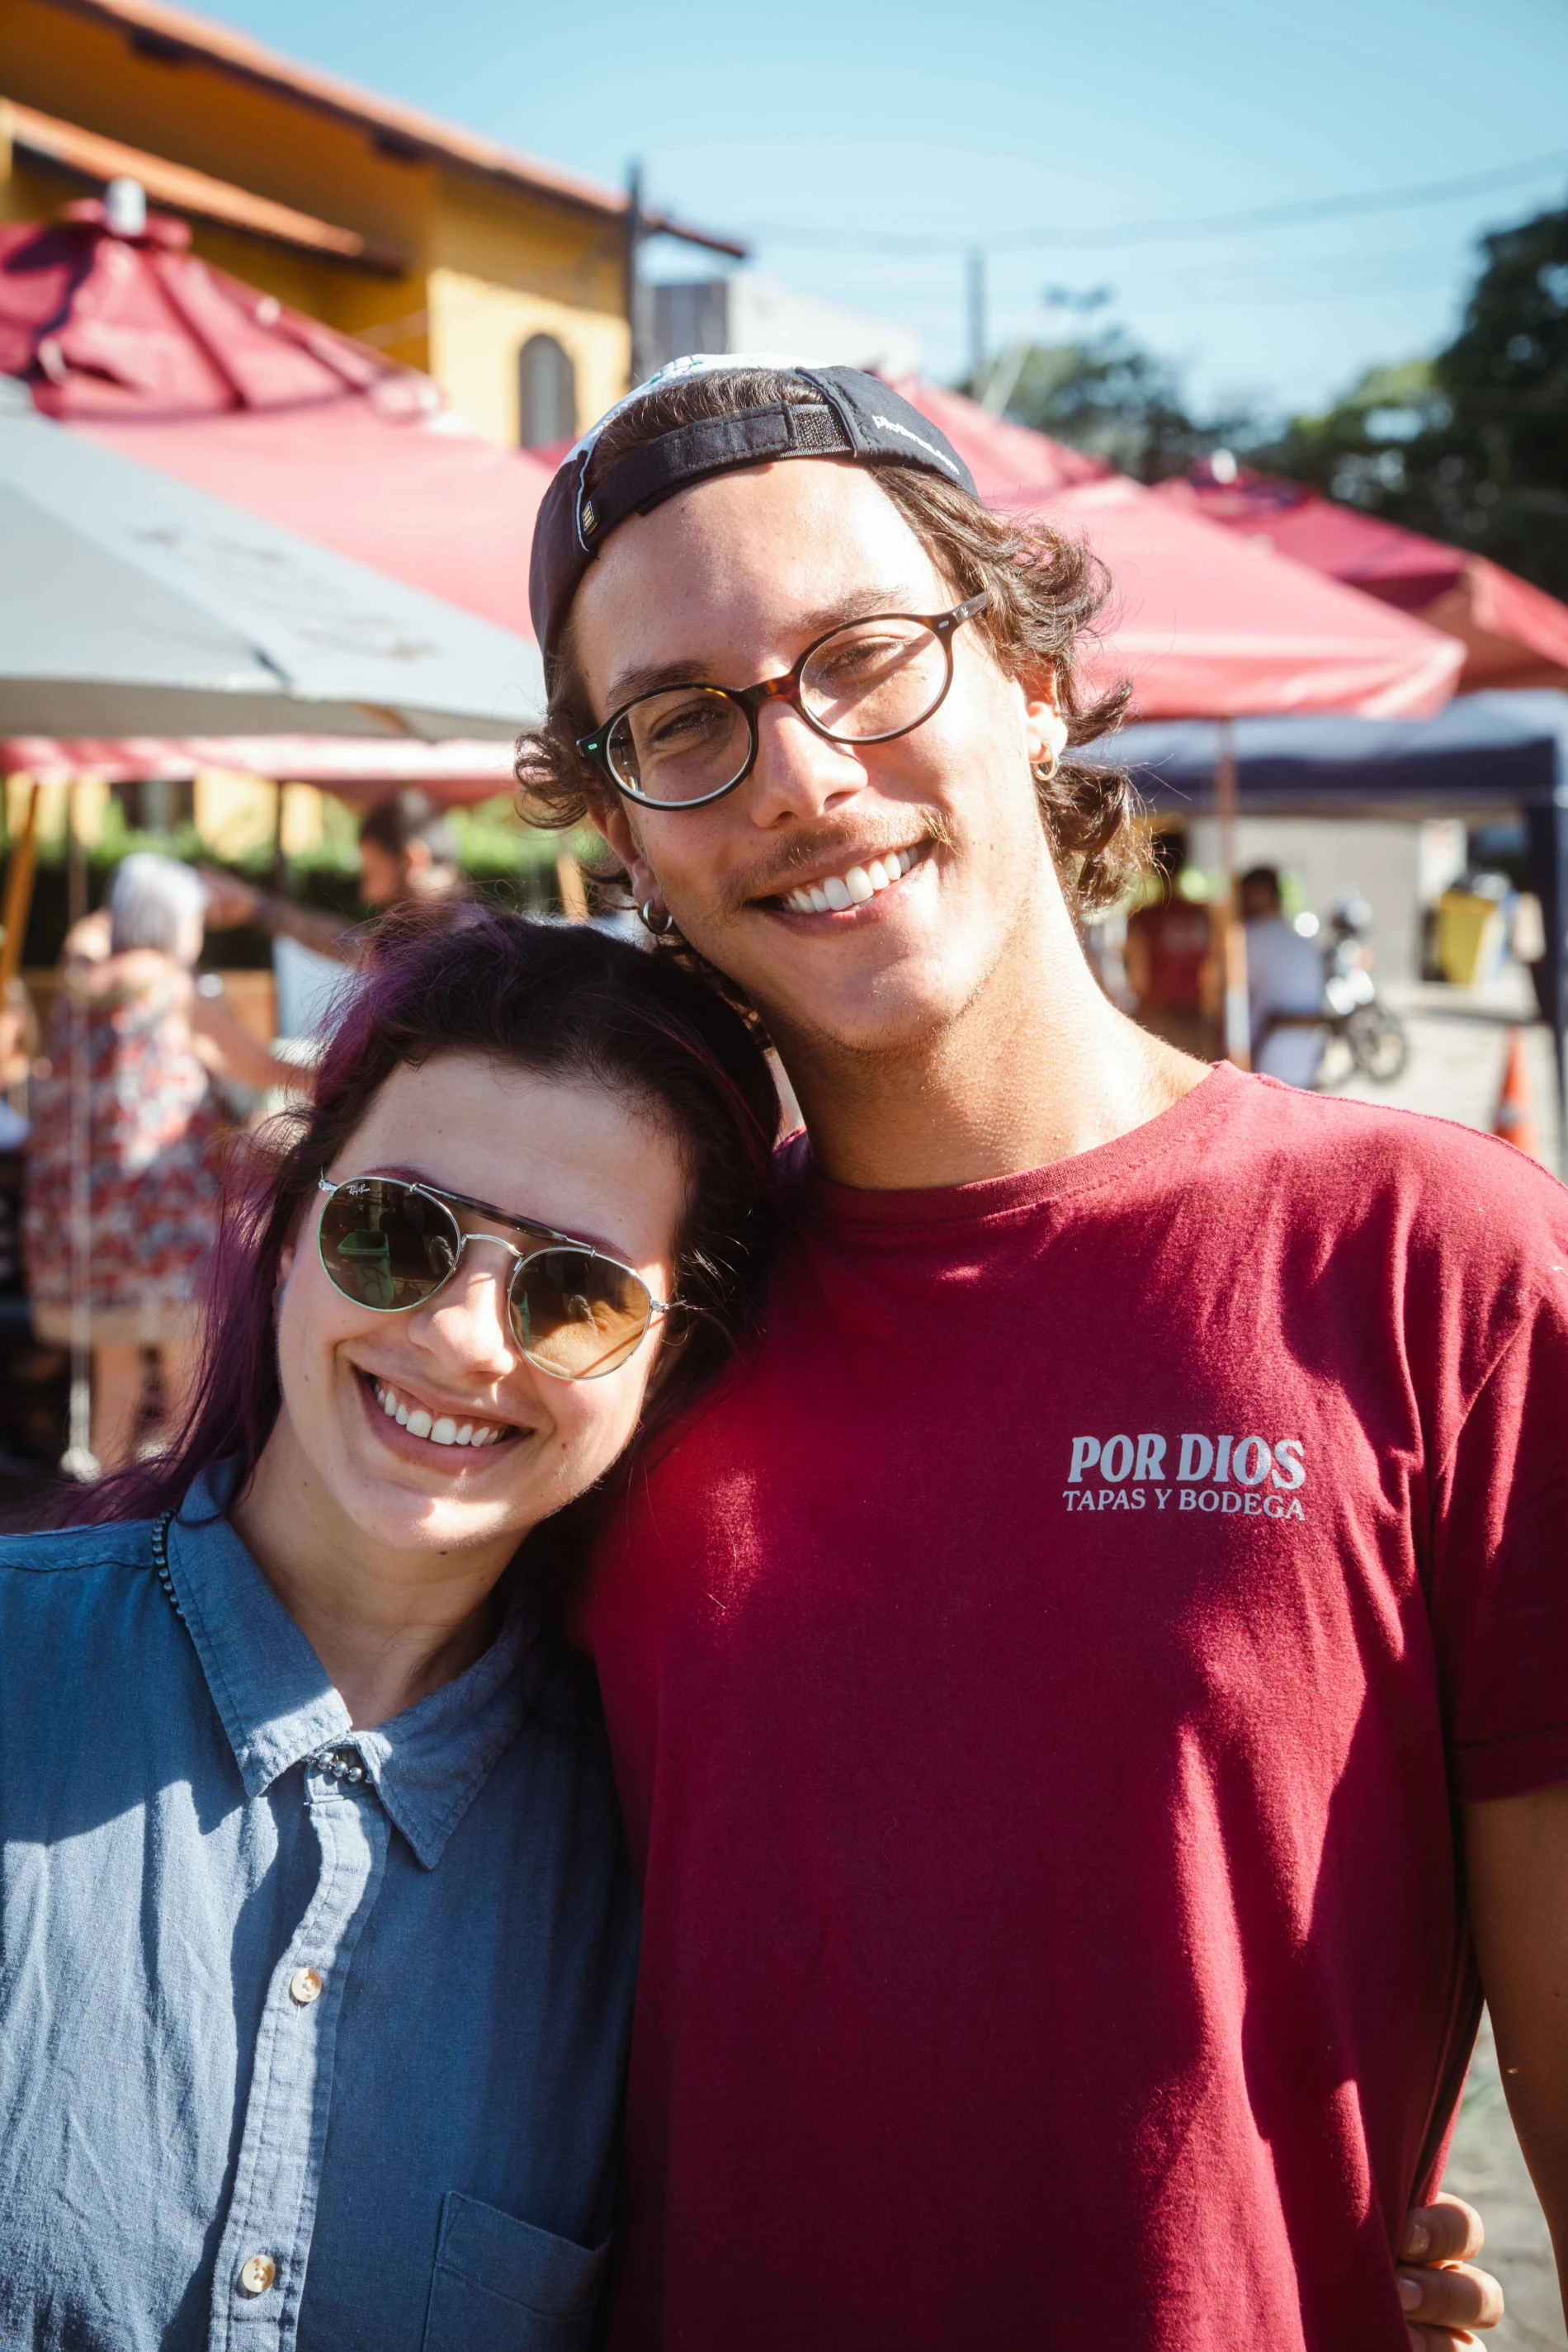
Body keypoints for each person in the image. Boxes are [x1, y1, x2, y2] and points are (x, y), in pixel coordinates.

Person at [516, 359, 1564, 2350]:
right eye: (680, 720)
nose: (796, 773)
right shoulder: (612, 1330)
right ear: (620, 830)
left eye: (863, 657)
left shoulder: (1435, 1265)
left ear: (1029, 680)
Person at [0, 904, 779, 2350]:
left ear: (667, 1362)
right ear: (289, 1231)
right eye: (396, 1232)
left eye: (574, 1293)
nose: (461, 1335)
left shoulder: (655, 1860)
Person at [22, 852, 300, 1469]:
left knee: (116, 1371)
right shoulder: (175, 989)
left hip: (88, 1223)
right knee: (187, 1366)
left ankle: (108, 1507)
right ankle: (180, 1499)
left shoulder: (80, 983)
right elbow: (258, 1068)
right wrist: (345, 1074)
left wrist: (128, 908)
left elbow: (86, 934)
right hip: (163, 1213)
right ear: (175, 922)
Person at [200, 788, 465, 962]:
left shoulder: (463, 947)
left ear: (413, 859)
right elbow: (348, 945)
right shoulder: (438, 934)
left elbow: (350, 947)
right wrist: (256, 907)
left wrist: (258, 907)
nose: (368, 894)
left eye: (372, 873)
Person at [1123, 822, 1220, 1058]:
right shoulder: (1203, 914)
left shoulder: (1142, 918)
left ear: (1151, 862)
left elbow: (1138, 980)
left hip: (1155, 1021)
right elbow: (1215, 974)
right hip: (1194, 1018)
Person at [1240, 862, 1328, 1087]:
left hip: (1265, 1064)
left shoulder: (1248, 939)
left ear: (1259, 894)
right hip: (1307, 1064)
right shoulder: (1303, 941)